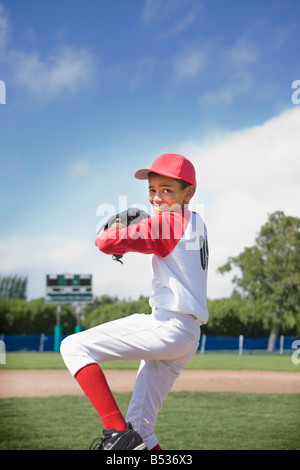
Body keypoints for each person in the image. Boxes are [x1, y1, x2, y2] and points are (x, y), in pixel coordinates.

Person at [60, 153, 209, 450]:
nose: (156, 197)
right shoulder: (196, 221)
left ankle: (116, 434)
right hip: (188, 336)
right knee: (142, 429)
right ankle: (130, 438)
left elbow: (104, 243)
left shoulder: (167, 223)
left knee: (73, 346)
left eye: (167, 189)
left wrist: (118, 230)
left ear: (188, 191)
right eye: (152, 190)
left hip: (168, 326)